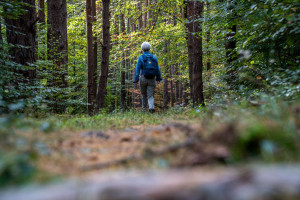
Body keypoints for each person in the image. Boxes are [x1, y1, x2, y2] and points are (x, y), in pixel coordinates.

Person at [133, 42, 162, 113]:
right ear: (149, 48)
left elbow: (137, 70)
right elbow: (157, 69)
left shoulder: (141, 57)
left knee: (143, 95)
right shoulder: (153, 57)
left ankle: (144, 109)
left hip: (143, 78)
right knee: (150, 95)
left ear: (142, 49)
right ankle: (151, 108)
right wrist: (158, 78)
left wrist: (136, 80)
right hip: (152, 78)